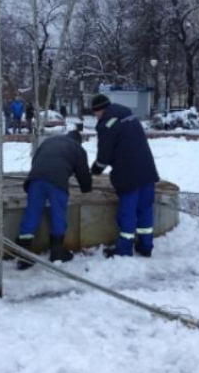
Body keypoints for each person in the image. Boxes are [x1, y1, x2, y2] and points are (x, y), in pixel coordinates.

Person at [91, 94, 160, 258]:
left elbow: (104, 156)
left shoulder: (106, 124)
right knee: (145, 209)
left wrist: (95, 170)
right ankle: (146, 245)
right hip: (147, 169)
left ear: (99, 110)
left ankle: (124, 249)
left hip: (128, 174)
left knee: (127, 212)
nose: (95, 116)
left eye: (95, 113)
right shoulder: (126, 113)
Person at [15, 130, 92, 269]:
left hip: (36, 179)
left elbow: (36, 159)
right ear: (78, 141)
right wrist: (86, 188)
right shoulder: (77, 148)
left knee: (31, 213)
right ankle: (57, 253)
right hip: (57, 182)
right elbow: (83, 173)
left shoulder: (50, 141)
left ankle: (23, 255)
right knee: (58, 214)